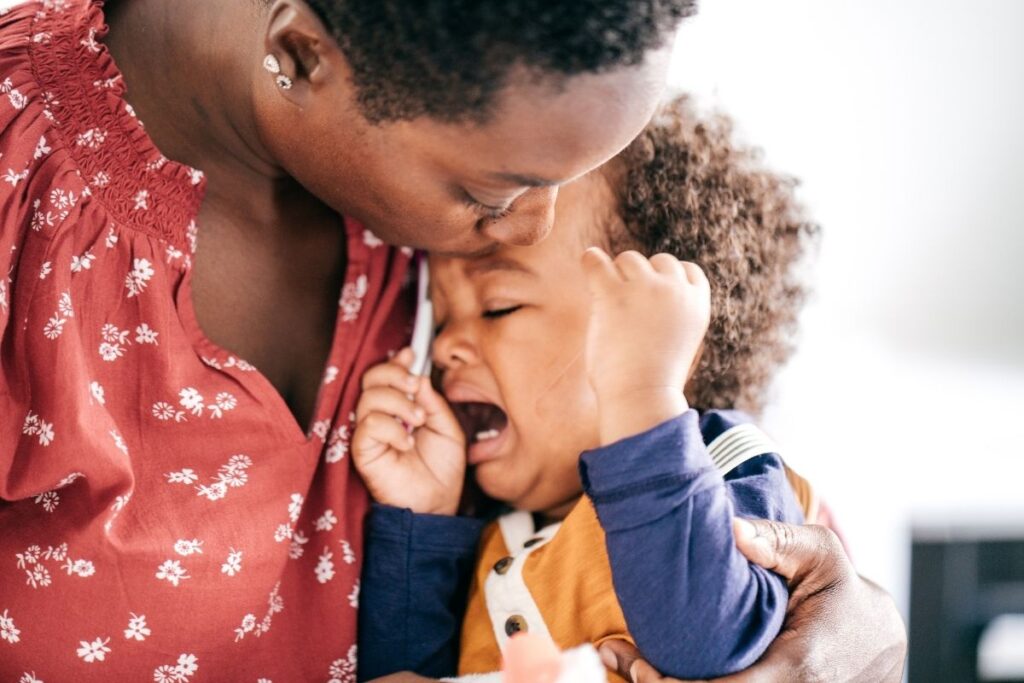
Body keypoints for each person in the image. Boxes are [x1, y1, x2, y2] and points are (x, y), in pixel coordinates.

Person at [0, 0, 905, 680]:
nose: (526, 229)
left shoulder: (443, 198)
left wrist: (861, 627)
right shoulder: (21, 197)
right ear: (299, 54)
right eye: (493, 192)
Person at [353, 97, 817, 681]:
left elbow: (706, 639)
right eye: (441, 320)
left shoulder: (730, 464)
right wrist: (423, 521)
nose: (444, 347)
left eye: (498, 307)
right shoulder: (497, 535)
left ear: (666, 336)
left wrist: (643, 396)